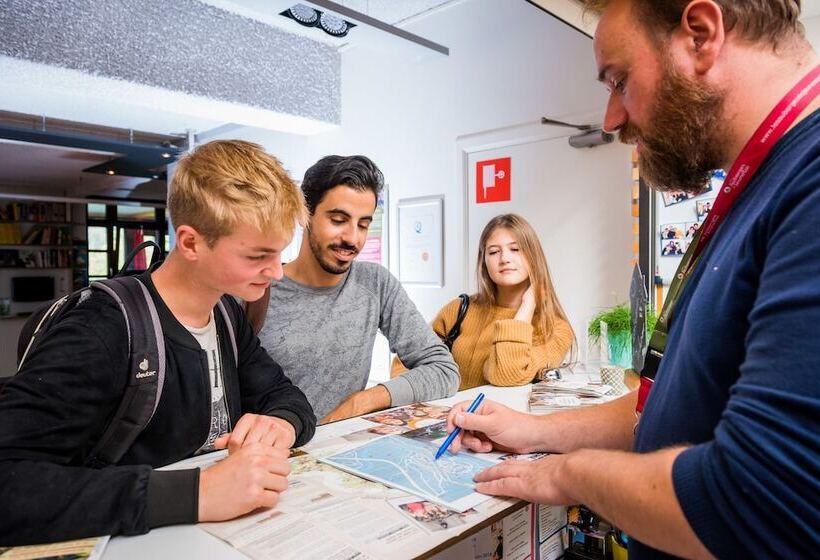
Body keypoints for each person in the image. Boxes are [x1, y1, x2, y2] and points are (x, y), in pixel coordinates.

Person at [444, 1, 820, 559]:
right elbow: (669, 405)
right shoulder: (762, 187)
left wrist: (568, 477)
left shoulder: (807, 186)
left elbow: (755, 501)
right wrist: (534, 432)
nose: (611, 118)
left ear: (700, 34)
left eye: (619, 80)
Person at [0, 140, 317, 545]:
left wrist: (281, 424)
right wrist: (199, 493)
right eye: (258, 256)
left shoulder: (226, 312)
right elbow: (10, 484)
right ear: (190, 243)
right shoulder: (102, 328)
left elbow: (285, 395)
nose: (276, 273)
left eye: (279, 253)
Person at [257, 155, 459, 424]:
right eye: (338, 220)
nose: (353, 238)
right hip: (269, 455)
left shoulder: (374, 283)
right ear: (305, 214)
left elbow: (444, 370)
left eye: (363, 224)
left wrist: (364, 400)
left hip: (335, 452)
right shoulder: (255, 289)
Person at [392, 214, 574, 389]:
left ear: (533, 256)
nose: (504, 259)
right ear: (484, 261)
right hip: (444, 418)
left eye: (515, 249)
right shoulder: (458, 310)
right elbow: (404, 363)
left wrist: (528, 305)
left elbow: (507, 373)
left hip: (500, 421)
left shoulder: (556, 329)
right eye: (494, 252)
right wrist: (428, 403)